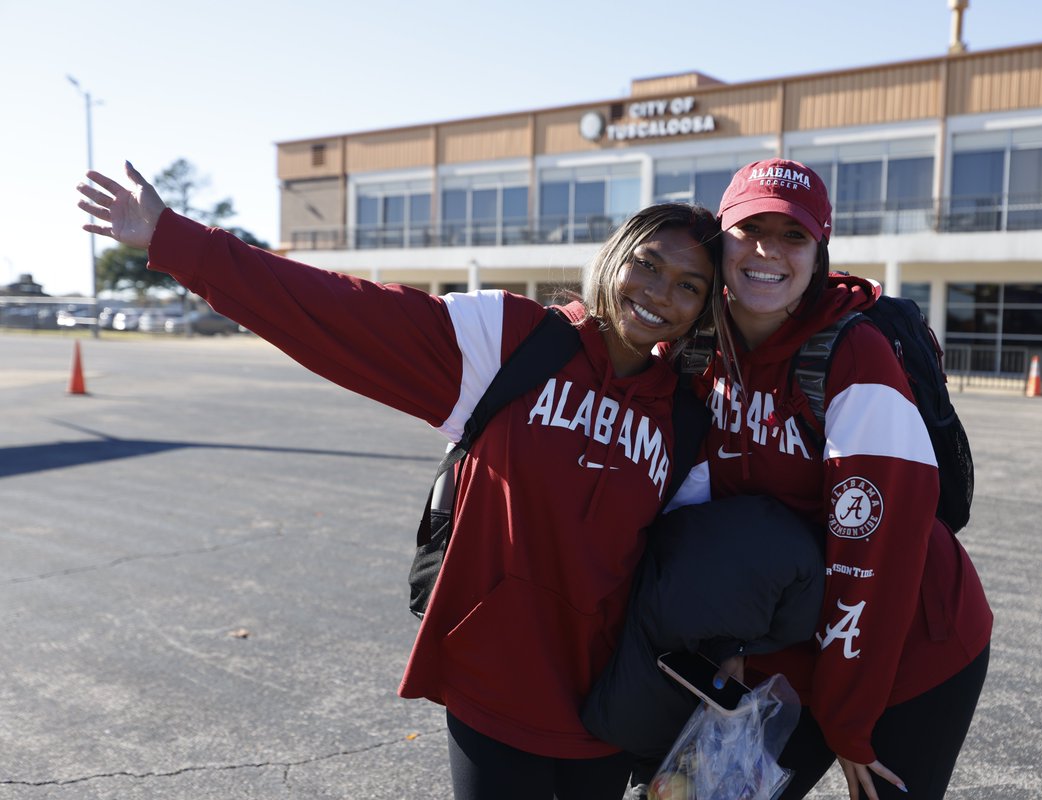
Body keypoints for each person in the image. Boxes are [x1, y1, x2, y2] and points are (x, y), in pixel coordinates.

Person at [76, 163, 721, 800]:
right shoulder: (513, 340)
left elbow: (686, 573)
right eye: (650, 264)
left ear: (702, 310)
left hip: (605, 704)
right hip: (493, 682)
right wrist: (178, 240)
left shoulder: (688, 418)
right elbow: (339, 311)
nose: (662, 293)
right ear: (614, 259)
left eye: (689, 285)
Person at [668, 159, 993, 800]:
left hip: (908, 645)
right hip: (786, 644)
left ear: (820, 251)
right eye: (750, 229)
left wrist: (849, 722)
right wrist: (724, 638)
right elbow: (699, 513)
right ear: (720, 240)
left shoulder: (854, 352)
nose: (768, 251)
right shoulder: (697, 346)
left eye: (793, 235)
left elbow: (873, 553)